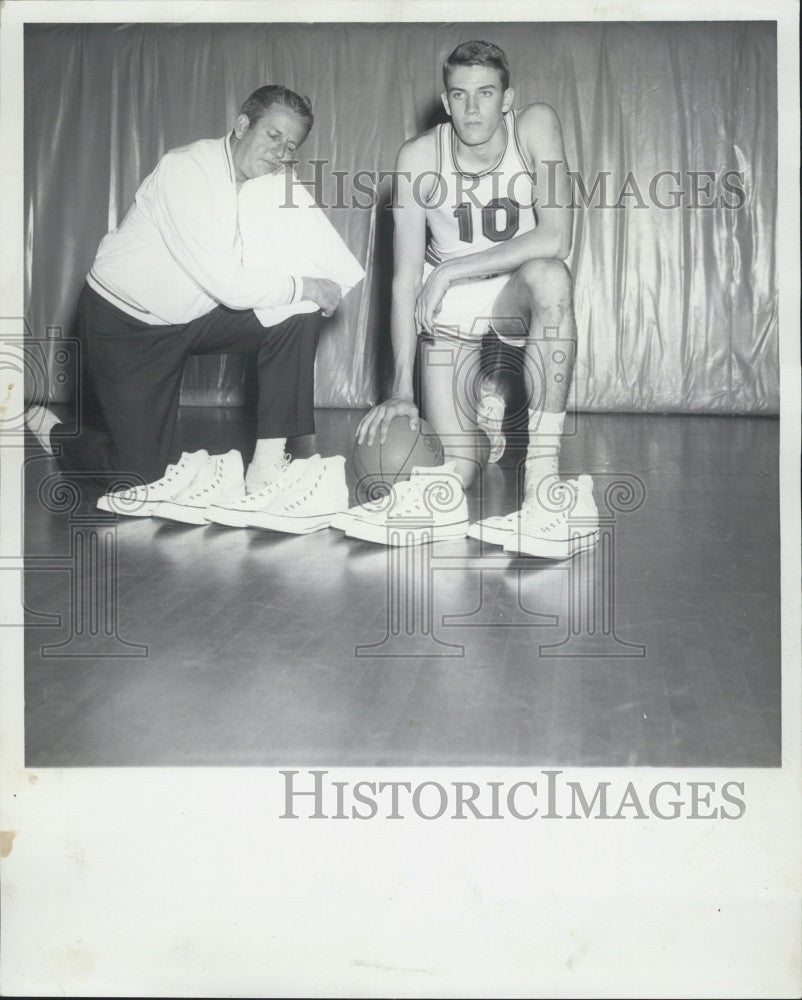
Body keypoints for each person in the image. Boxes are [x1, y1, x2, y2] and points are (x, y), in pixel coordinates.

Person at [26, 84, 347, 516]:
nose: (280, 153)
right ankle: (56, 433)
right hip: (125, 324)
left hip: (193, 315)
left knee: (296, 313)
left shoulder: (270, 184)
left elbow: (300, 257)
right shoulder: (185, 170)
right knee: (139, 479)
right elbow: (230, 285)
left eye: (291, 147)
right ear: (241, 125)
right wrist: (309, 285)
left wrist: (321, 283)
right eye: (273, 136)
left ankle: (267, 468)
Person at [343, 41, 598, 557]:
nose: (473, 107)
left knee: (551, 277)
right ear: (445, 99)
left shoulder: (534, 125)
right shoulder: (417, 158)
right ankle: (486, 433)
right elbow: (404, 279)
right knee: (454, 470)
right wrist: (399, 390)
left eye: (485, 93)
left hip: (513, 289)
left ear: (508, 98)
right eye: (460, 95)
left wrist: (454, 267)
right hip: (449, 305)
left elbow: (556, 237)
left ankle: (543, 481)